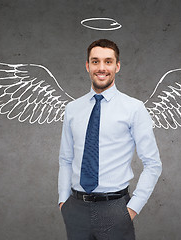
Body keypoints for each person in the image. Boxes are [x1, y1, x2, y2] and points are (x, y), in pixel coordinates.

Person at [58, 39, 162, 240]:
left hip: (115, 209)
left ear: (117, 66)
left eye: (108, 61)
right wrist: (64, 201)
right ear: (87, 66)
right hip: (76, 209)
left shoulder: (134, 108)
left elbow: (153, 164)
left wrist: (131, 209)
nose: (102, 68)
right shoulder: (72, 109)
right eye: (95, 61)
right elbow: (65, 159)